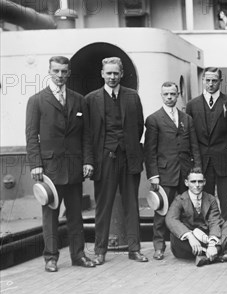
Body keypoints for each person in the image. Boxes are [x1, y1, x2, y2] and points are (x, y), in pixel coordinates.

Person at [25, 56, 95, 272]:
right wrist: (36, 164)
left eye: (64, 71)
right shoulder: (37, 100)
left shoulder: (78, 100)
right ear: (49, 71)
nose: (60, 75)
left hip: (74, 167)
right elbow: (31, 135)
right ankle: (51, 258)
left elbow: (86, 135)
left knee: (75, 214)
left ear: (69, 73)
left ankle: (78, 255)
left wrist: (87, 161)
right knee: (51, 215)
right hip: (50, 168)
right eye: (56, 71)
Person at [85, 57, 147, 265]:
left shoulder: (132, 97)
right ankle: (100, 250)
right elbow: (88, 133)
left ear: (121, 74)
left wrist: (127, 146)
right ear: (102, 74)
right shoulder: (91, 99)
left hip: (129, 158)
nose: (112, 77)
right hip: (105, 159)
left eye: (115, 73)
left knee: (131, 204)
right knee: (103, 206)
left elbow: (139, 126)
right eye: (108, 73)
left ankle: (134, 249)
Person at [144, 81, 202, 260]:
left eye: (172, 94)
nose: (169, 97)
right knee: (162, 212)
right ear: (161, 96)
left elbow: (194, 147)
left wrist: (197, 170)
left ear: (178, 95)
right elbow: (150, 151)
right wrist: (153, 175)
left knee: (187, 211)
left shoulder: (187, 119)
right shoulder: (154, 119)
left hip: (185, 174)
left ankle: (187, 245)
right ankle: (159, 247)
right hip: (165, 174)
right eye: (166, 94)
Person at [186, 67, 227, 220]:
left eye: (214, 80)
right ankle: (207, 233)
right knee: (204, 200)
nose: (211, 84)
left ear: (220, 81)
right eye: (208, 80)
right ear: (203, 81)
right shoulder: (193, 105)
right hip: (202, 160)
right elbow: (189, 135)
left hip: (224, 159)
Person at [166, 168, 227, 267]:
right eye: (193, 181)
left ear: (204, 182)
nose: (197, 185)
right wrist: (190, 236)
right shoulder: (180, 199)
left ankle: (209, 254)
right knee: (175, 234)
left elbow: (214, 221)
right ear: (186, 183)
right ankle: (219, 255)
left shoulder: (210, 199)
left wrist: (212, 244)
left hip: (207, 239)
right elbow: (170, 219)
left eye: (200, 181)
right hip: (188, 244)